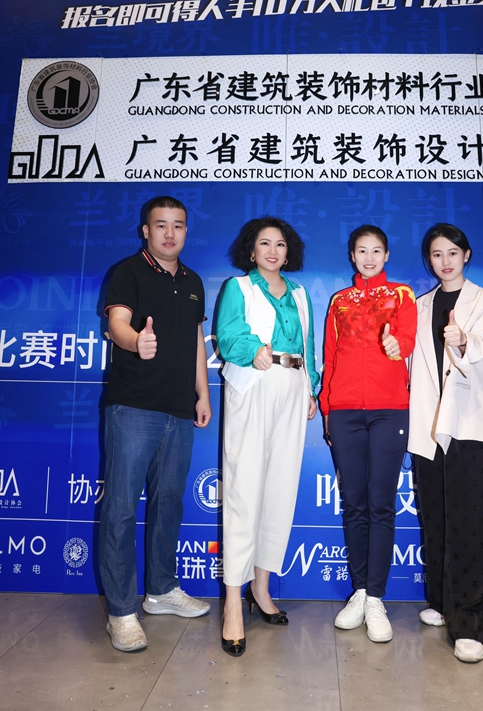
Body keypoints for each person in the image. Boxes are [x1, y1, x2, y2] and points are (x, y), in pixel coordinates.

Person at [99, 196, 212, 653]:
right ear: (145, 230)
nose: (170, 233)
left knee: (169, 503)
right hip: (133, 407)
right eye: (160, 225)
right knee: (121, 509)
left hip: (179, 410)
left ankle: (162, 591)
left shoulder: (194, 282)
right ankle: (121, 612)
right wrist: (135, 342)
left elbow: (197, 343)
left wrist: (203, 393)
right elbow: (118, 324)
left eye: (178, 225)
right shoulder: (127, 272)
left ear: (186, 231)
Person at [216, 217, 319, 657]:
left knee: (280, 489)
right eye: (264, 243)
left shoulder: (300, 294)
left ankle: (261, 589)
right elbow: (228, 335)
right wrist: (252, 349)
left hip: (293, 388)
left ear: (289, 250)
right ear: (251, 250)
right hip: (254, 385)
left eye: (280, 244)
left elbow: (309, 347)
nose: (273, 251)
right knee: (244, 492)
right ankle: (232, 604)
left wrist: (311, 387)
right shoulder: (238, 288)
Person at [408, 223, 483, 664]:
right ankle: (443, 602)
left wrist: (463, 339)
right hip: (428, 425)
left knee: (470, 523)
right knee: (436, 518)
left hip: (467, 423)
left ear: (466, 255)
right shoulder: (420, 305)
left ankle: (469, 623)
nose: (444, 261)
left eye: (452, 252)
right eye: (436, 254)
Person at [320, 225, 417, 643]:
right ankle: (359, 591)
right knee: (354, 504)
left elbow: (407, 337)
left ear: (387, 255)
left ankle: (376, 597)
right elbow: (329, 356)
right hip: (344, 411)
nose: (370, 257)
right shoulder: (339, 301)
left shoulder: (402, 294)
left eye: (377, 250)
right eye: (362, 250)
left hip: (389, 409)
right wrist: (327, 408)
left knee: (381, 504)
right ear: (352, 255)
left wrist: (399, 347)